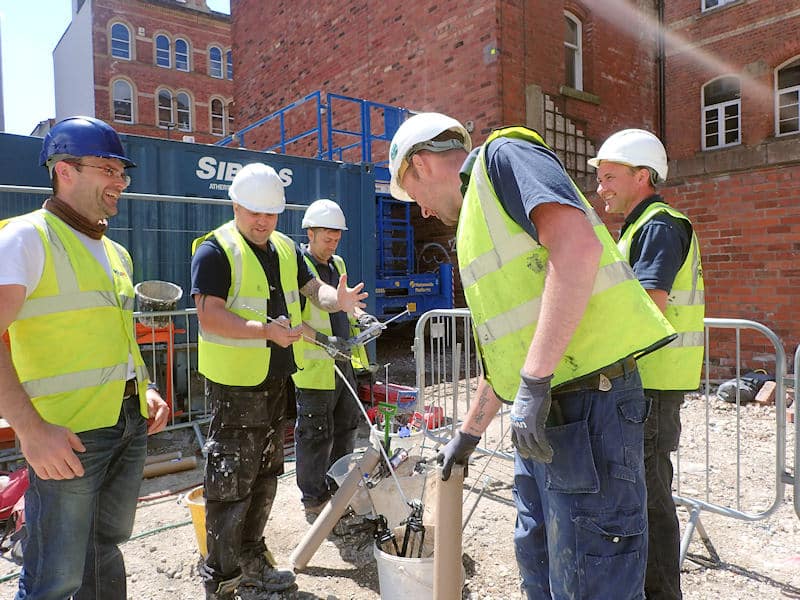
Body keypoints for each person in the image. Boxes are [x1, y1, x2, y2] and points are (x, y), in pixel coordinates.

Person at [388, 112, 676, 599]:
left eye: (411, 194)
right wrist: (469, 432)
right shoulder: (477, 220)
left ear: (420, 164)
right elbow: (507, 358)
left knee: (591, 578)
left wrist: (536, 383)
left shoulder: (506, 156)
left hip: (591, 409)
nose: (422, 212)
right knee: (541, 562)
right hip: (548, 415)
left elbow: (577, 247)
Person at [0, 116, 170, 600]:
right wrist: (32, 431)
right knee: (55, 578)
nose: (120, 182)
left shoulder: (115, 252)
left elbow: (117, 337)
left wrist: (147, 388)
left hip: (126, 424)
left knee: (105, 548)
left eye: (123, 172)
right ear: (64, 171)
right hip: (66, 438)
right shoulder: (26, 239)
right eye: (108, 170)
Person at [190, 163, 367, 600]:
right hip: (235, 387)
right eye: (254, 212)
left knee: (266, 474)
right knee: (232, 481)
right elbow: (209, 316)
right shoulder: (215, 250)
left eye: (271, 213)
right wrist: (263, 332)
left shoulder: (285, 248)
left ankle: (252, 560)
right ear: (236, 205)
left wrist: (337, 300)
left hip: (275, 380)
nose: (263, 221)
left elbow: (313, 292)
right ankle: (224, 578)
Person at [590, 129, 705, 600]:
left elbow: (647, 311)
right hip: (647, 383)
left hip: (651, 385)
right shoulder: (641, 226)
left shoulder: (657, 225)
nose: (601, 188)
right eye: (599, 179)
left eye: (610, 177)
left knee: (649, 497)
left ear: (643, 176)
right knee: (641, 492)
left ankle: (659, 594)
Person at [291, 199, 376, 522]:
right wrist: (325, 340)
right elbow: (294, 320)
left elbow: (344, 303)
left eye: (337, 238)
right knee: (315, 433)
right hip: (313, 367)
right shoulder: (300, 266)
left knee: (345, 427)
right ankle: (313, 499)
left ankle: (337, 486)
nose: (332, 244)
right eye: (327, 238)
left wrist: (361, 316)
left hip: (342, 363)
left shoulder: (337, 263)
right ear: (310, 234)